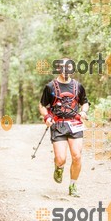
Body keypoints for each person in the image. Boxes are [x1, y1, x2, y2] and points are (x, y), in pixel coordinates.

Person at [39, 58, 89, 197]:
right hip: (58, 125)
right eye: (62, 67)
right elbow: (42, 105)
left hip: (75, 124)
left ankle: (73, 185)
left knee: (77, 156)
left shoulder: (78, 86)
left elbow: (85, 103)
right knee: (61, 159)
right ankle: (58, 167)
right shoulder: (50, 87)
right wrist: (47, 117)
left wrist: (84, 111)